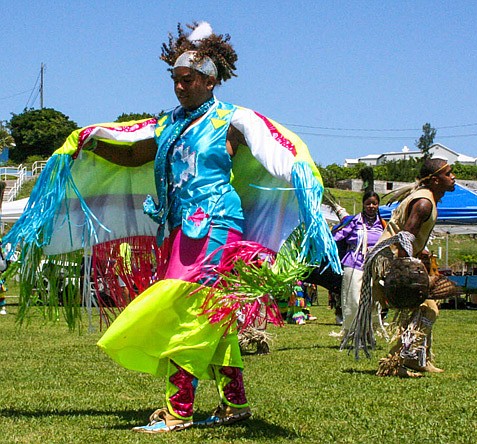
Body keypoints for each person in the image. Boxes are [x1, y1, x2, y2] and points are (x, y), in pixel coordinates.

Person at [94, 22, 340, 434]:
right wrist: (88, 143)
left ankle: (179, 410)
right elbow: (136, 152)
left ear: (210, 80)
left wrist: (300, 173)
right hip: (178, 228)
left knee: (185, 310)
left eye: (187, 80)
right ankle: (234, 403)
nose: (179, 87)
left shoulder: (231, 119)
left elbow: (273, 148)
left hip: (215, 225)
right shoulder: (170, 123)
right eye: (174, 80)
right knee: (214, 315)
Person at [343, 157, 456, 378]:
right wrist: (406, 272)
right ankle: (398, 362)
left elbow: (406, 235)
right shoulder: (423, 203)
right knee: (424, 309)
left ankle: (418, 359)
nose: (453, 178)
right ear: (434, 180)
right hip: (392, 261)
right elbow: (404, 239)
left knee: (427, 308)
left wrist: (419, 252)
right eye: (448, 174)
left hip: (395, 257)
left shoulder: (426, 198)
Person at [332, 191, 385, 338]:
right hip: (354, 262)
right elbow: (337, 236)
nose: (371, 206)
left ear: (378, 205)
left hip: (375, 266)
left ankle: (369, 332)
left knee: (373, 300)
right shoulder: (354, 221)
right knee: (354, 299)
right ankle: (352, 332)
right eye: (368, 203)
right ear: (363, 204)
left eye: (374, 203)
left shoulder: (382, 223)